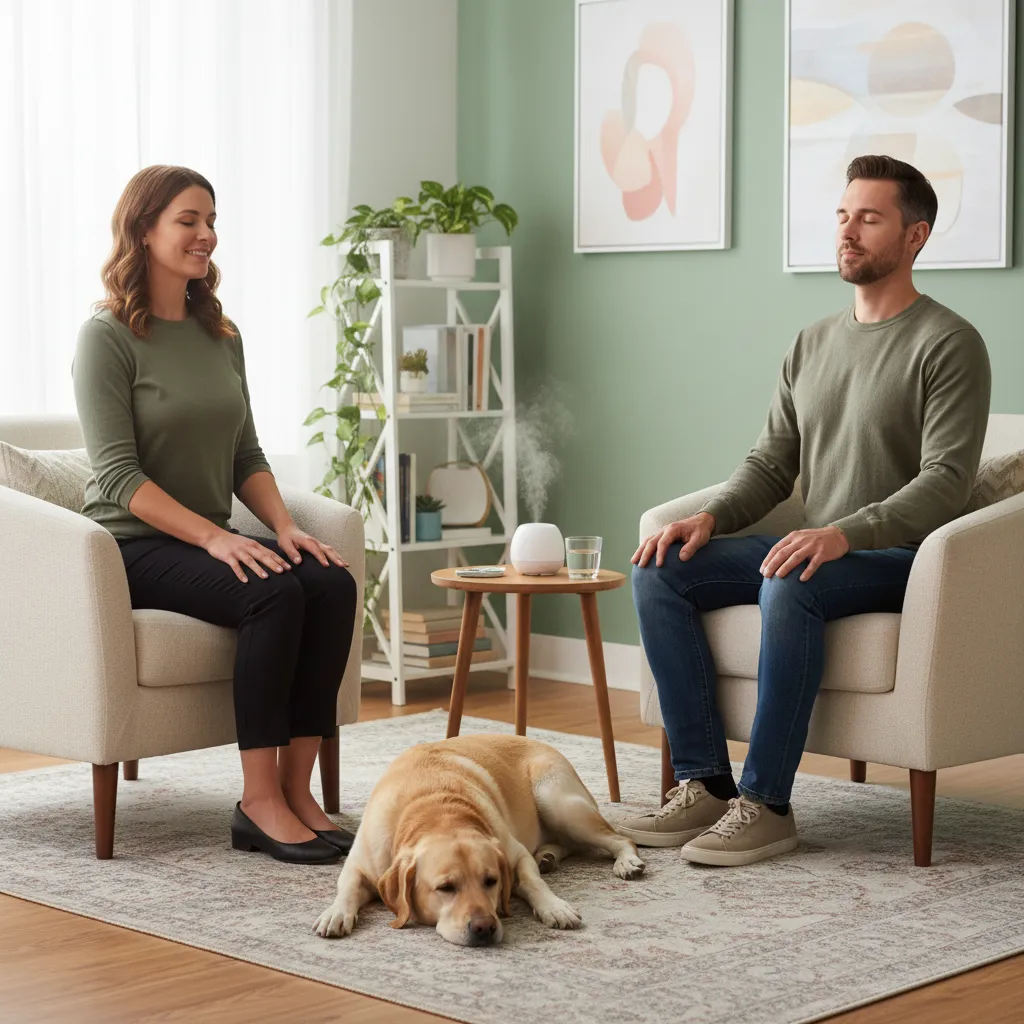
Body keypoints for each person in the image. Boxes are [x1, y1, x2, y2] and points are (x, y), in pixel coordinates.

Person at [622, 155, 991, 866]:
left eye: (870, 218)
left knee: (788, 581)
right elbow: (771, 463)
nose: (848, 232)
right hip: (815, 546)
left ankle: (768, 804)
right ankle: (703, 782)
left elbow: (945, 482)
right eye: (843, 215)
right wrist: (713, 519)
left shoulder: (950, 343)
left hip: (901, 559)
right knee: (662, 567)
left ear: (914, 237)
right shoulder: (812, 342)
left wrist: (843, 533)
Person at [73, 165, 358, 865]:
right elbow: (117, 475)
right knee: (271, 592)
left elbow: (247, 454)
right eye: (188, 220)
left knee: (327, 581)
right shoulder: (105, 336)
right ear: (144, 230)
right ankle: (256, 803)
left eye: (211, 220)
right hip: (132, 548)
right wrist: (217, 540)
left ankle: (297, 793)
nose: (206, 235)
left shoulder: (220, 334)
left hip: (204, 540)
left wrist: (286, 528)